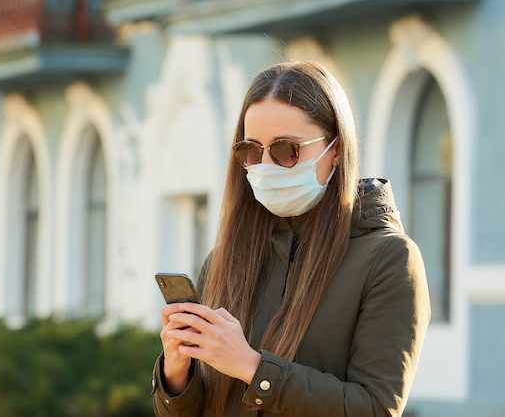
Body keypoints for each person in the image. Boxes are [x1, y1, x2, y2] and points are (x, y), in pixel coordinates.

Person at [152, 59, 431, 417]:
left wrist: (252, 367)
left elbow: (375, 408)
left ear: (336, 150)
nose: (266, 165)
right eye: (251, 150)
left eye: (286, 150)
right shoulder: (225, 259)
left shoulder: (389, 259)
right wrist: (176, 374)